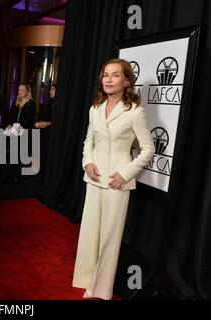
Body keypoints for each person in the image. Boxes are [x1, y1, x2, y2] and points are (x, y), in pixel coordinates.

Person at [72, 58, 155, 300]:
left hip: (117, 183)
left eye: (115, 75)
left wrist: (126, 173)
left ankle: (100, 289)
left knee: (110, 236)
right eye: (105, 75)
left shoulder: (136, 113)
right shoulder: (94, 109)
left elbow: (148, 149)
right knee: (90, 232)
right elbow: (89, 141)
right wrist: (87, 162)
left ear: (126, 80)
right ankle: (87, 278)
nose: (108, 79)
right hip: (94, 178)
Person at [3, 84, 36, 184]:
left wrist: (19, 127)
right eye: (19, 90)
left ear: (27, 91)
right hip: (13, 128)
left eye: (22, 90)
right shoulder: (16, 102)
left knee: (18, 153)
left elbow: (28, 118)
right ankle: (6, 173)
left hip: (24, 129)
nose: (20, 91)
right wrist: (9, 125)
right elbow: (10, 115)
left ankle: (17, 176)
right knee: (7, 151)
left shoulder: (31, 103)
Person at [35, 83, 56, 183]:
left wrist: (47, 123)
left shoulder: (60, 105)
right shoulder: (49, 103)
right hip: (44, 134)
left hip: (53, 135)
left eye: (52, 89)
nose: (50, 91)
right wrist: (39, 123)